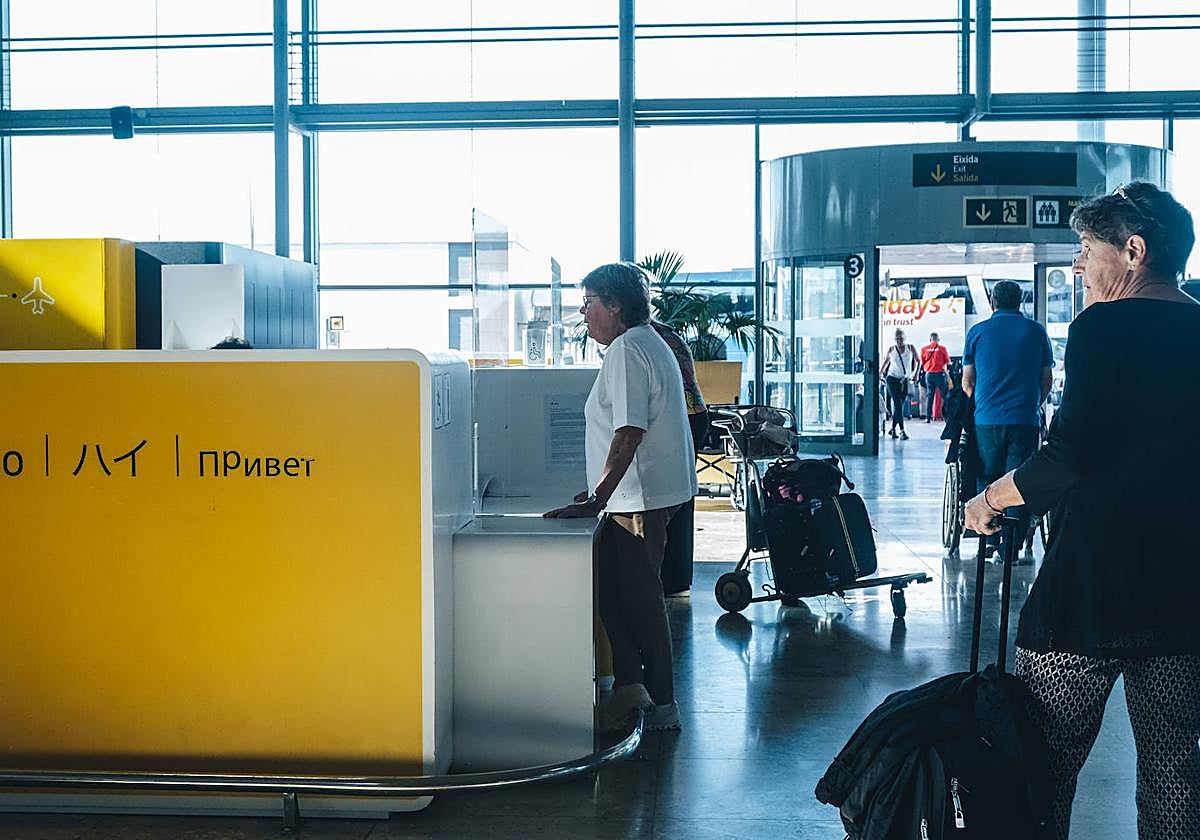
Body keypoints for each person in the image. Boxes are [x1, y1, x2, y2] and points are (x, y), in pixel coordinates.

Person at [964, 182, 1199, 840]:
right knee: (1173, 767)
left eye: (1087, 249)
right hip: (1181, 592)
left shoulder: (1101, 327)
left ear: (1133, 250)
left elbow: (1070, 454)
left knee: (1044, 762)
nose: (1077, 266)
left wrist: (988, 498)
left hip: (1091, 587)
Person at [545, 262, 697, 732]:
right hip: (632, 495)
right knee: (612, 592)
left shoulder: (628, 350)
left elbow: (629, 430)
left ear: (614, 305)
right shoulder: (645, 342)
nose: (583, 313)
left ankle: (664, 707)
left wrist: (598, 497)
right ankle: (632, 688)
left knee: (640, 602)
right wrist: (600, 491)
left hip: (639, 498)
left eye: (588, 302)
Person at [962, 280, 1052, 555]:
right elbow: (1046, 380)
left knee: (987, 475)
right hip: (1024, 417)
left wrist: (982, 403)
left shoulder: (977, 332)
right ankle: (1011, 547)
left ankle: (988, 539)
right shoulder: (1036, 332)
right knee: (1018, 480)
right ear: (1019, 301)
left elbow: (967, 382)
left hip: (987, 418)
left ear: (993, 302)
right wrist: (1033, 403)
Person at [650, 320, 707, 597]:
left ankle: (672, 577)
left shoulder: (649, 339)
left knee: (673, 496)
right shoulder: (663, 333)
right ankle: (676, 577)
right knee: (680, 496)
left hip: (684, 416)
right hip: (692, 415)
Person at [879, 328, 919, 439]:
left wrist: (916, 374)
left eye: (901, 338)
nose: (899, 341)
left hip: (904, 380)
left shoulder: (910, 348)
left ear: (904, 338)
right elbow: (886, 362)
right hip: (892, 379)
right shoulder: (891, 349)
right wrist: (880, 373)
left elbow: (918, 360)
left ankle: (892, 429)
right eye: (897, 339)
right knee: (897, 403)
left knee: (900, 405)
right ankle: (902, 431)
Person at [920, 332, 950, 422]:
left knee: (930, 396)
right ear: (938, 339)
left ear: (930, 340)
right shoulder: (942, 349)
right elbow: (947, 362)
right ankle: (947, 417)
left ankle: (928, 418)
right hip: (940, 374)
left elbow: (922, 362)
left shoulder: (924, 349)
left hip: (929, 375)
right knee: (944, 396)